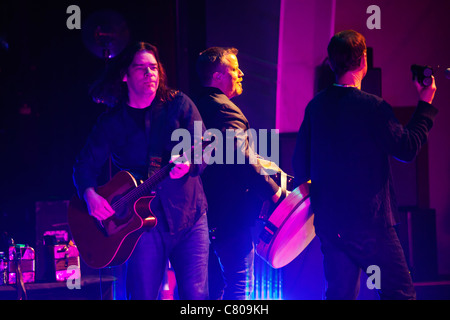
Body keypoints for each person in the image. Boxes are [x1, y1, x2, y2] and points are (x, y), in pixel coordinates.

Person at [292, 30, 437, 300]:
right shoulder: (373, 107)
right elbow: (406, 149)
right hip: (372, 224)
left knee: (340, 296)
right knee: (400, 295)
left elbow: (300, 164)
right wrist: (425, 104)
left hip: (331, 225)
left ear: (331, 63)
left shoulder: (315, 108)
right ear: (364, 61)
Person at [73, 42, 209, 300]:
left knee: (196, 296)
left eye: (154, 68)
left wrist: (190, 164)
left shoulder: (179, 105)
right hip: (140, 227)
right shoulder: (111, 122)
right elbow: (85, 165)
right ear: (125, 75)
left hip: (189, 216)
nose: (150, 74)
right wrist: (90, 194)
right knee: (143, 295)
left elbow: (204, 147)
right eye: (141, 69)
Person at [195, 47, 282, 299]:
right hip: (229, 216)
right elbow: (239, 158)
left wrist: (262, 162)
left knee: (211, 289)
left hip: (201, 218)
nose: (241, 73)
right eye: (234, 68)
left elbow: (224, 157)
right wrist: (274, 192)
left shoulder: (197, 106)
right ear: (218, 76)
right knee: (239, 285)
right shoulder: (226, 110)